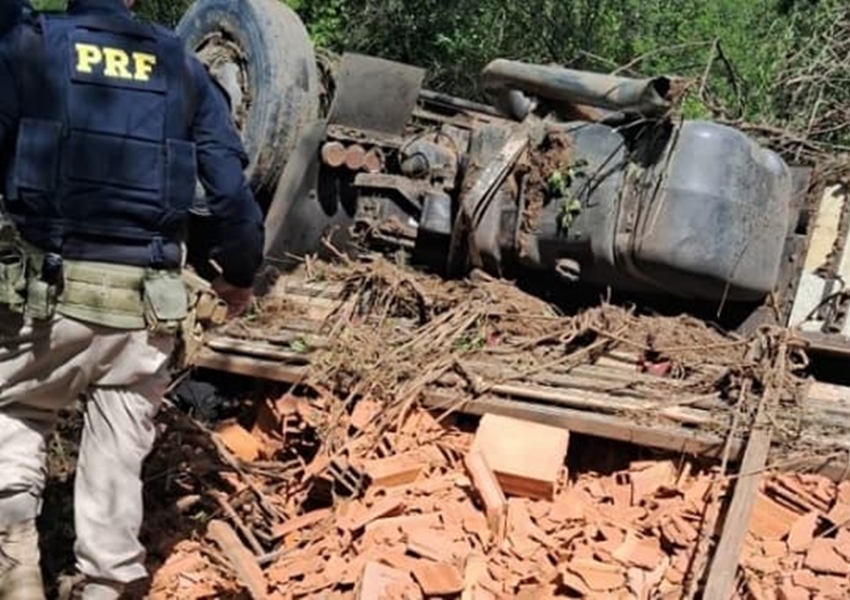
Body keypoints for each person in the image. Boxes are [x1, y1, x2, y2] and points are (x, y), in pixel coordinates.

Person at [0, 0, 265, 598]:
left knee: (15, 408)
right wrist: (239, 276)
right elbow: (231, 194)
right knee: (119, 449)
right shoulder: (180, 65)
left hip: (46, 296)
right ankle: (107, 584)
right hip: (144, 309)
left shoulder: (28, 47)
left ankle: (15, 564)